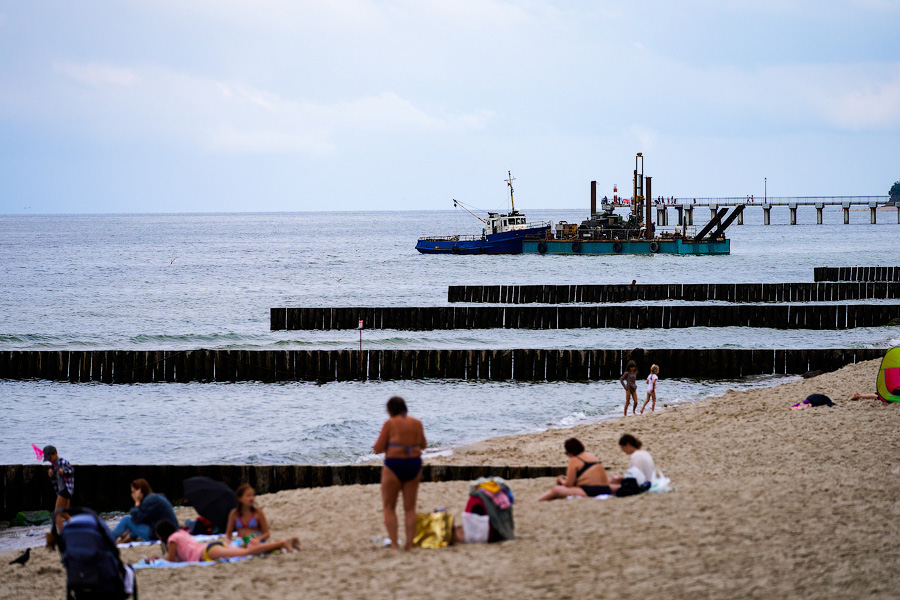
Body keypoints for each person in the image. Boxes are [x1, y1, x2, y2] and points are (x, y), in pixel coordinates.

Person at [373, 396, 427, 550]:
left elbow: (377, 448)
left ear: (390, 410)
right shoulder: (417, 423)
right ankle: (409, 544)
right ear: (405, 408)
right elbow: (423, 444)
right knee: (410, 508)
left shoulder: (389, 424)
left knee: (389, 507)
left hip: (394, 465)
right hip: (413, 464)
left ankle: (395, 544)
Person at [150, 520, 299, 563]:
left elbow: (171, 560)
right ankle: (287, 543)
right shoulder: (180, 533)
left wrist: (158, 559)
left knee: (246, 552)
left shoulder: (172, 539)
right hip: (211, 548)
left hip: (208, 552)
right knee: (247, 553)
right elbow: (178, 556)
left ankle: (282, 542)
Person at [535, 438, 612, 500]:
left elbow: (569, 484)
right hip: (606, 489)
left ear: (570, 452)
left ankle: (534, 502)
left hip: (591, 491)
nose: (567, 455)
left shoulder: (574, 460)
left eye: (567, 453)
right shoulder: (591, 456)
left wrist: (561, 481)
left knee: (556, 490)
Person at [110, 478, 178, 544]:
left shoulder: (149, 500)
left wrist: (137, 502)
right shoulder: (153, 498)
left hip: (160, 535)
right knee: (131, 523)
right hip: (166, 533)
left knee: (126, 520)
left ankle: (108, 539)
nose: (132, 495)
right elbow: (145, 519)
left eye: (133, 492)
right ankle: (127, 537)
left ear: (140, 491)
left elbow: (137, 519)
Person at [43, 445, 73, 534]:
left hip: (65, 489)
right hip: (64, 490)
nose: (49, 460)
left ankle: (62, 534)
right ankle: (78, 528)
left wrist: (64, 472)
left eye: (50, 457)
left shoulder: (62, 462)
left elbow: (71, 471)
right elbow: (55, 475)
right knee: (64, 513)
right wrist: (51, 472)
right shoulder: (54, 464)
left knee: (57, 513)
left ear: (55, 453)